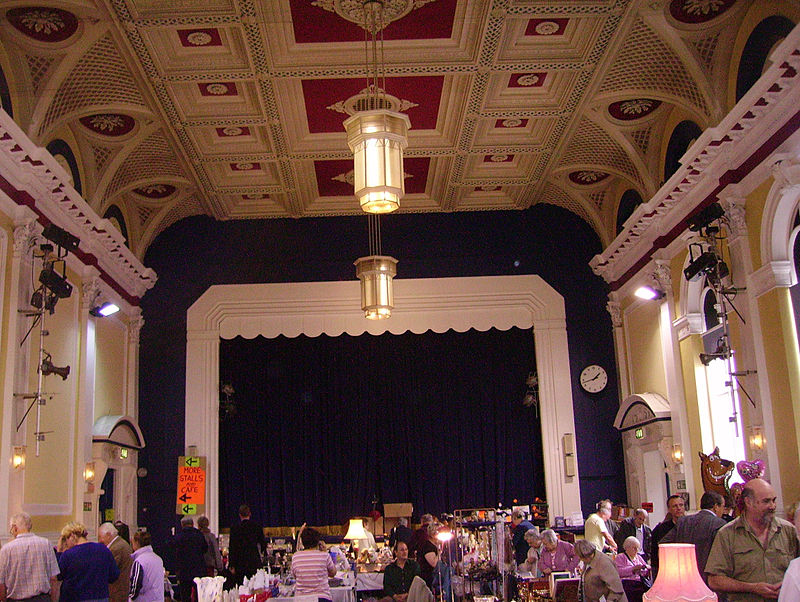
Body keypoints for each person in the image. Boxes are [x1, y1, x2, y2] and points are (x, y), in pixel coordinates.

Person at [706, 478, 799, 601]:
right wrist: (752, 588)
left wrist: (789, 586)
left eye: (774, 500)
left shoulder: (788, 530)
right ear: (748, 502)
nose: (772, 506)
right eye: (766, 501)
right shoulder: (727, 534)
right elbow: (714, 580)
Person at [660, 491, 726, 580]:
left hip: (685, 575)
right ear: (716, 507)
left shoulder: (684, 521)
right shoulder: (718, 523)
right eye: (722, 507)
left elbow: (664, 544)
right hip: (708, 577)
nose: (723, 511)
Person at [0, 512, 60, 602]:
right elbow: (53, 578)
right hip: (42, 598)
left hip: (15, 599)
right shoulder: (46, 544)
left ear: (15, 527)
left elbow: (2, 583)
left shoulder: (6, 549)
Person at [58, 522, 120, 602]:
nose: (66, 543)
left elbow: (58, 576)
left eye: (66, 539)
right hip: (101, 597)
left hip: (74, 597)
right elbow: (114, 575)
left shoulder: (68, 555)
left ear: (72, 536)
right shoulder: (103, 549)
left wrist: (59, 551)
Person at [291, 527, 336, 602]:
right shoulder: (324, 556)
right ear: (318, 542)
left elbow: (295, 576)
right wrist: (324, 551)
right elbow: (333, 573)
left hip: (301, 598)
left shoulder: (296, 556)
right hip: (322, 597)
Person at [172, 516, 207, 602]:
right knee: (200, 596)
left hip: (184, 572)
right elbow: (205, 549)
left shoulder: (178, 537)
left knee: (185, 596)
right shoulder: (199, 535)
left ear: (182, 525)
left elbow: (174, 554)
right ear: (192, 524)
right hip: (198, 570)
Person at [228, 504, 266, 584]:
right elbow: (263, 544)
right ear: (250, 514)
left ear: (239, 515)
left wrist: (231, 564)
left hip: (239, 563)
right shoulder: (256, 527)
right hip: (254, 562)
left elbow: (232, 547)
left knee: (241, 587)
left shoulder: (235, 528)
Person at [650, 494, 685, 577]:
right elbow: (655, 555)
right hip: (668, 569)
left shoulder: (691, 526)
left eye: (681, 505)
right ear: (669, 509)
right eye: (675, 506)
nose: (679, 508)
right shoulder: (661, 529)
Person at [98, 521, 133, 602]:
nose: (99, 540)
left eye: (100, 537)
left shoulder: (116, 548)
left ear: (108, 535)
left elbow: (108, 571)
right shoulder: (121, 544)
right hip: (120, 591)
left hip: (116, 593)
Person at [129, 530, 165, 602]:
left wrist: (130, 597)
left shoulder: (139, 561)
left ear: (136, 543)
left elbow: (136, 585)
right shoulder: (158, 559)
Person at [614, 536, 651, 601]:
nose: (636, 550)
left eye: (637, 548)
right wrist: (633, 569)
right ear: (627, 548)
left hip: (640, 583)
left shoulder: (638, 557)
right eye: (634, 548)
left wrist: (644, 569)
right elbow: (618, 572)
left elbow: (645, 570)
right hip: (627, 584)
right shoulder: (620, 557)